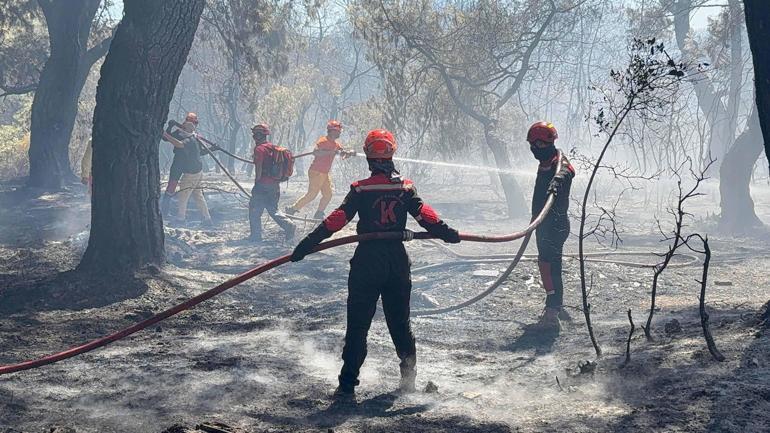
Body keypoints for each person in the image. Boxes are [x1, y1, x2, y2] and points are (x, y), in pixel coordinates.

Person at [290, 128, 461, 399]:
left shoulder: (361, 189)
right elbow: (425, 215)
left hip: (367, 262)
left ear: (368, 157)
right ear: (392, 153)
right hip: (396, 261)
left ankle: (347, 385)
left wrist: (307, 244)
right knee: (400, 323)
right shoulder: (405, 187)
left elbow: (336, 219)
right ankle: (408, 383)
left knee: (358, 324)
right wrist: (447, 232)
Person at [526, 121, 575, 332]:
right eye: (532, 146)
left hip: (556, 224)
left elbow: (567, 171)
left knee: (551, 265)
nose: (534, 150)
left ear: (546, 143)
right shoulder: (546, 161)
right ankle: (556, 305)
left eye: (538, 145)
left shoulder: (559, 163)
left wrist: (557, 182)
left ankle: (552, 310)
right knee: (546, 264)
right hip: (542, 223)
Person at [284, 120, 354, 220]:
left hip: (324, 173)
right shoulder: (323, 141)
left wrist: (349, 153)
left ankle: (319, 213)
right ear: (332, 131)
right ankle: (292, 209)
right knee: (312, 195)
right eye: (338, 131)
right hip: (316, 171)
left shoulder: (336, 144)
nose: (340, 133)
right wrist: (331, 152)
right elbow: (316, 153)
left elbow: (342, 153)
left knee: (328, 194)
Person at [162, 117, 213, 227]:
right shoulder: (188, 135)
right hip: (194, 169)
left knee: (183, 195)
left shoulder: (190, 139)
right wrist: (169, 128)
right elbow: (168, 139)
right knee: (197, 195)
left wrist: (166, 134)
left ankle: (181, 219)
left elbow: (179, 144)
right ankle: (207, 218)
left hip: (191, 172)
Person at [249, 123, 296, 243]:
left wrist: (257, 183)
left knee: (255, 210)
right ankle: (288, 224)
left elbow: (258, 168)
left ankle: (255, 236)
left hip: (262, 185)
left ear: (256, 136)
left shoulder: (259, 149)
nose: (254, 136)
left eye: (255, 134)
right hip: (274, 185)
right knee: (273, 209)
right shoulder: (272, 147)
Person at [161, 112, 198, 216]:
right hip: (178, 162)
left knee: (193, 187)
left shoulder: (195, 136)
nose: (191, 124)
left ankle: (191, 211)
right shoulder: (178, 132)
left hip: (190, 164)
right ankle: (165, 211)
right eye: (189, 122)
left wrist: (213, 149)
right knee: (171, 186)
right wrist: (170, 126)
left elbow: (200, 152)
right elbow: (165, 138)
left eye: (193, 123)